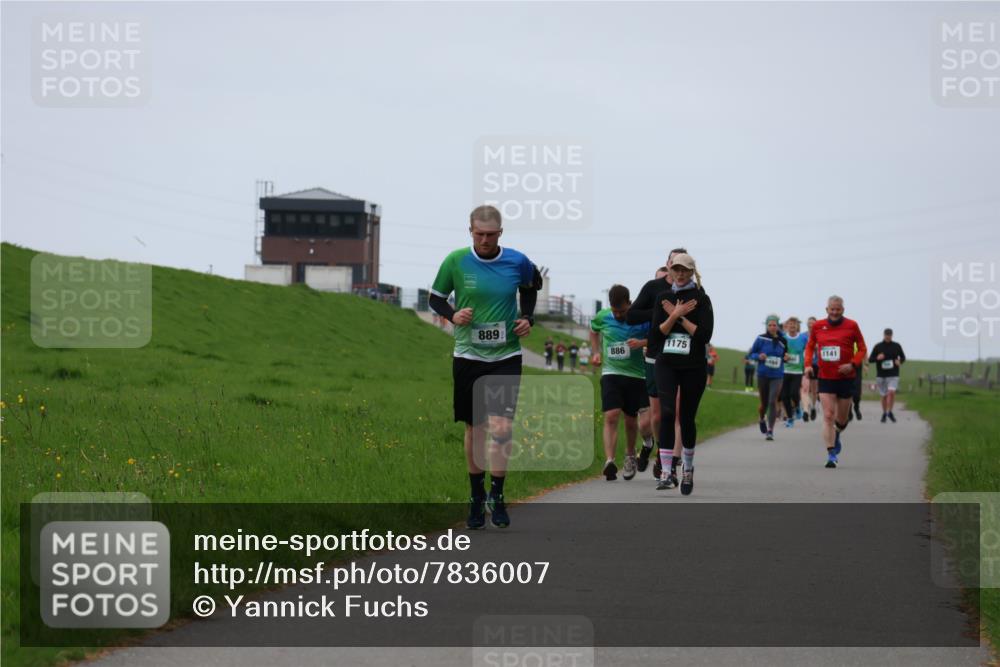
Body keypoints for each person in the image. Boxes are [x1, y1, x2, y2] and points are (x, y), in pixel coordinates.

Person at [429, 205, 541, 528]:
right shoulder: (456, 261)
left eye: (491, 235)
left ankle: (499, 493)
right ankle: (476, 496)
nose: (485, 240)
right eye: (479, 234)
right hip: (468, 356)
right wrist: (452, 315)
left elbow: (530, 288)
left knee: (502, 427)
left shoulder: (517, 260)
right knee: (475, 429)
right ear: (470, 231)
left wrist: (527, 318)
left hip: (505, 355)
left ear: (500, 233)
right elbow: (435, 298)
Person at [650, 253, 713, 495]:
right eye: (676, 269)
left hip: (693, 365)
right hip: (666, 362)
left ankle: (687, 467)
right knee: (666, 413)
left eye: (684, 270)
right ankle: (667, 471)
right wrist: (674, 315)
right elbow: (657, 335)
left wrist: (681, 317)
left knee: (686, 418)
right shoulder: (663, 298)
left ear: (691, 271)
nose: (679, 274)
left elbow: (704, 335)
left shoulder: (701, 298)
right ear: (670, 271)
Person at [627, 257, 684, 485]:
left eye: (684, 266)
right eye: (674, 264)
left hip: (681, 359)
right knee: (655, 418)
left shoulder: (695, 292)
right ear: (668, 264)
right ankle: (655, 448)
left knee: (678, 414)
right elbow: (631, 316)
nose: (678, 270)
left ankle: (669, 461)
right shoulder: (655, 289)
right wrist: (661, 314)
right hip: (654, 356)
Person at [590, 285, 652, 481]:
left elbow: (657, 336)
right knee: (611, 415)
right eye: (615, 311)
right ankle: (609, 461)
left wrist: (642, 343)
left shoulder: (641, 319)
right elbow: (593, 330)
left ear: (630, 304)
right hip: (611, 373)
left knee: (632, 421)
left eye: (623, 311)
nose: (618, 315)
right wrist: (596, 351)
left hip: (637, 376)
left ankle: (630, 456)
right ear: (610, 306)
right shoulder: (603, 316)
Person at [804, 296, 867, 469]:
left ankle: (837, 432)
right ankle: (831, 454)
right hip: (825, 377)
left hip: (846, 378)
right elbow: (810, 347)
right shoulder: (818, 326)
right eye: (832, 309)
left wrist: (852, 364)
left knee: (842, 420)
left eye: (837, 309)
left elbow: (862, 348)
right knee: (828, 415)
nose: (834, 312)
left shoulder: (852, 325)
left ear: (842, 310)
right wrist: (808, 365)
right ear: (827, 310)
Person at [747, 315, 787, 441]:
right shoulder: (761, 338)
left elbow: (786, 355)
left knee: (772, 401)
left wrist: (787, 358)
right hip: (763, 374)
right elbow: (751, 354)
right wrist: (759, 356)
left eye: (774, 325)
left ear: (778, 326)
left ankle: (770, 430)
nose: (772, 327)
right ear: (766, 326)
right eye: (770, 325)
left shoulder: (783, 341)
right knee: (764, 404)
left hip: (777, 375)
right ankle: (761, 418)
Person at [869, 328, 906, 423]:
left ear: (892, 335)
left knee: (891, 392)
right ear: (884, 335)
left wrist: (899, 361)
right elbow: (870, 359)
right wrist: (877, 358)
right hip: (881, 375)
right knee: (884, 395)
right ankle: (885, 413)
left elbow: (903, 357)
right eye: (886, 335)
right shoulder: (878, 346)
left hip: (893, 374)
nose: (888, 336)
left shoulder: (896, 346)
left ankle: (890, 411)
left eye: (889, 335)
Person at [780, 317, 807, 427]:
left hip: (797, 371)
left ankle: (797, 407)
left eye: (794, 324)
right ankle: (790, 418)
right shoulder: (782, 338)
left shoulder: (803, 338)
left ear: (797, 326)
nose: (792, 326)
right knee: (784, 396)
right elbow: (778, 351)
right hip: (784, 370)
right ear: (786, 326)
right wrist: (783, 356)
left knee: (793, 393)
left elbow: (809, 350)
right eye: (790, 324)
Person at [803, 316, 819, 422]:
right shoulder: (803, 336)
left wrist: (817, 347)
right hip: (805, 364)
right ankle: (806, 409)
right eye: (809, 323)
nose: (811, 325)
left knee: (814, 390)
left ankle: (813, 407)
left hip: (816, 364)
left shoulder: (819, 335)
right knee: (805, 388)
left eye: (813, 323)